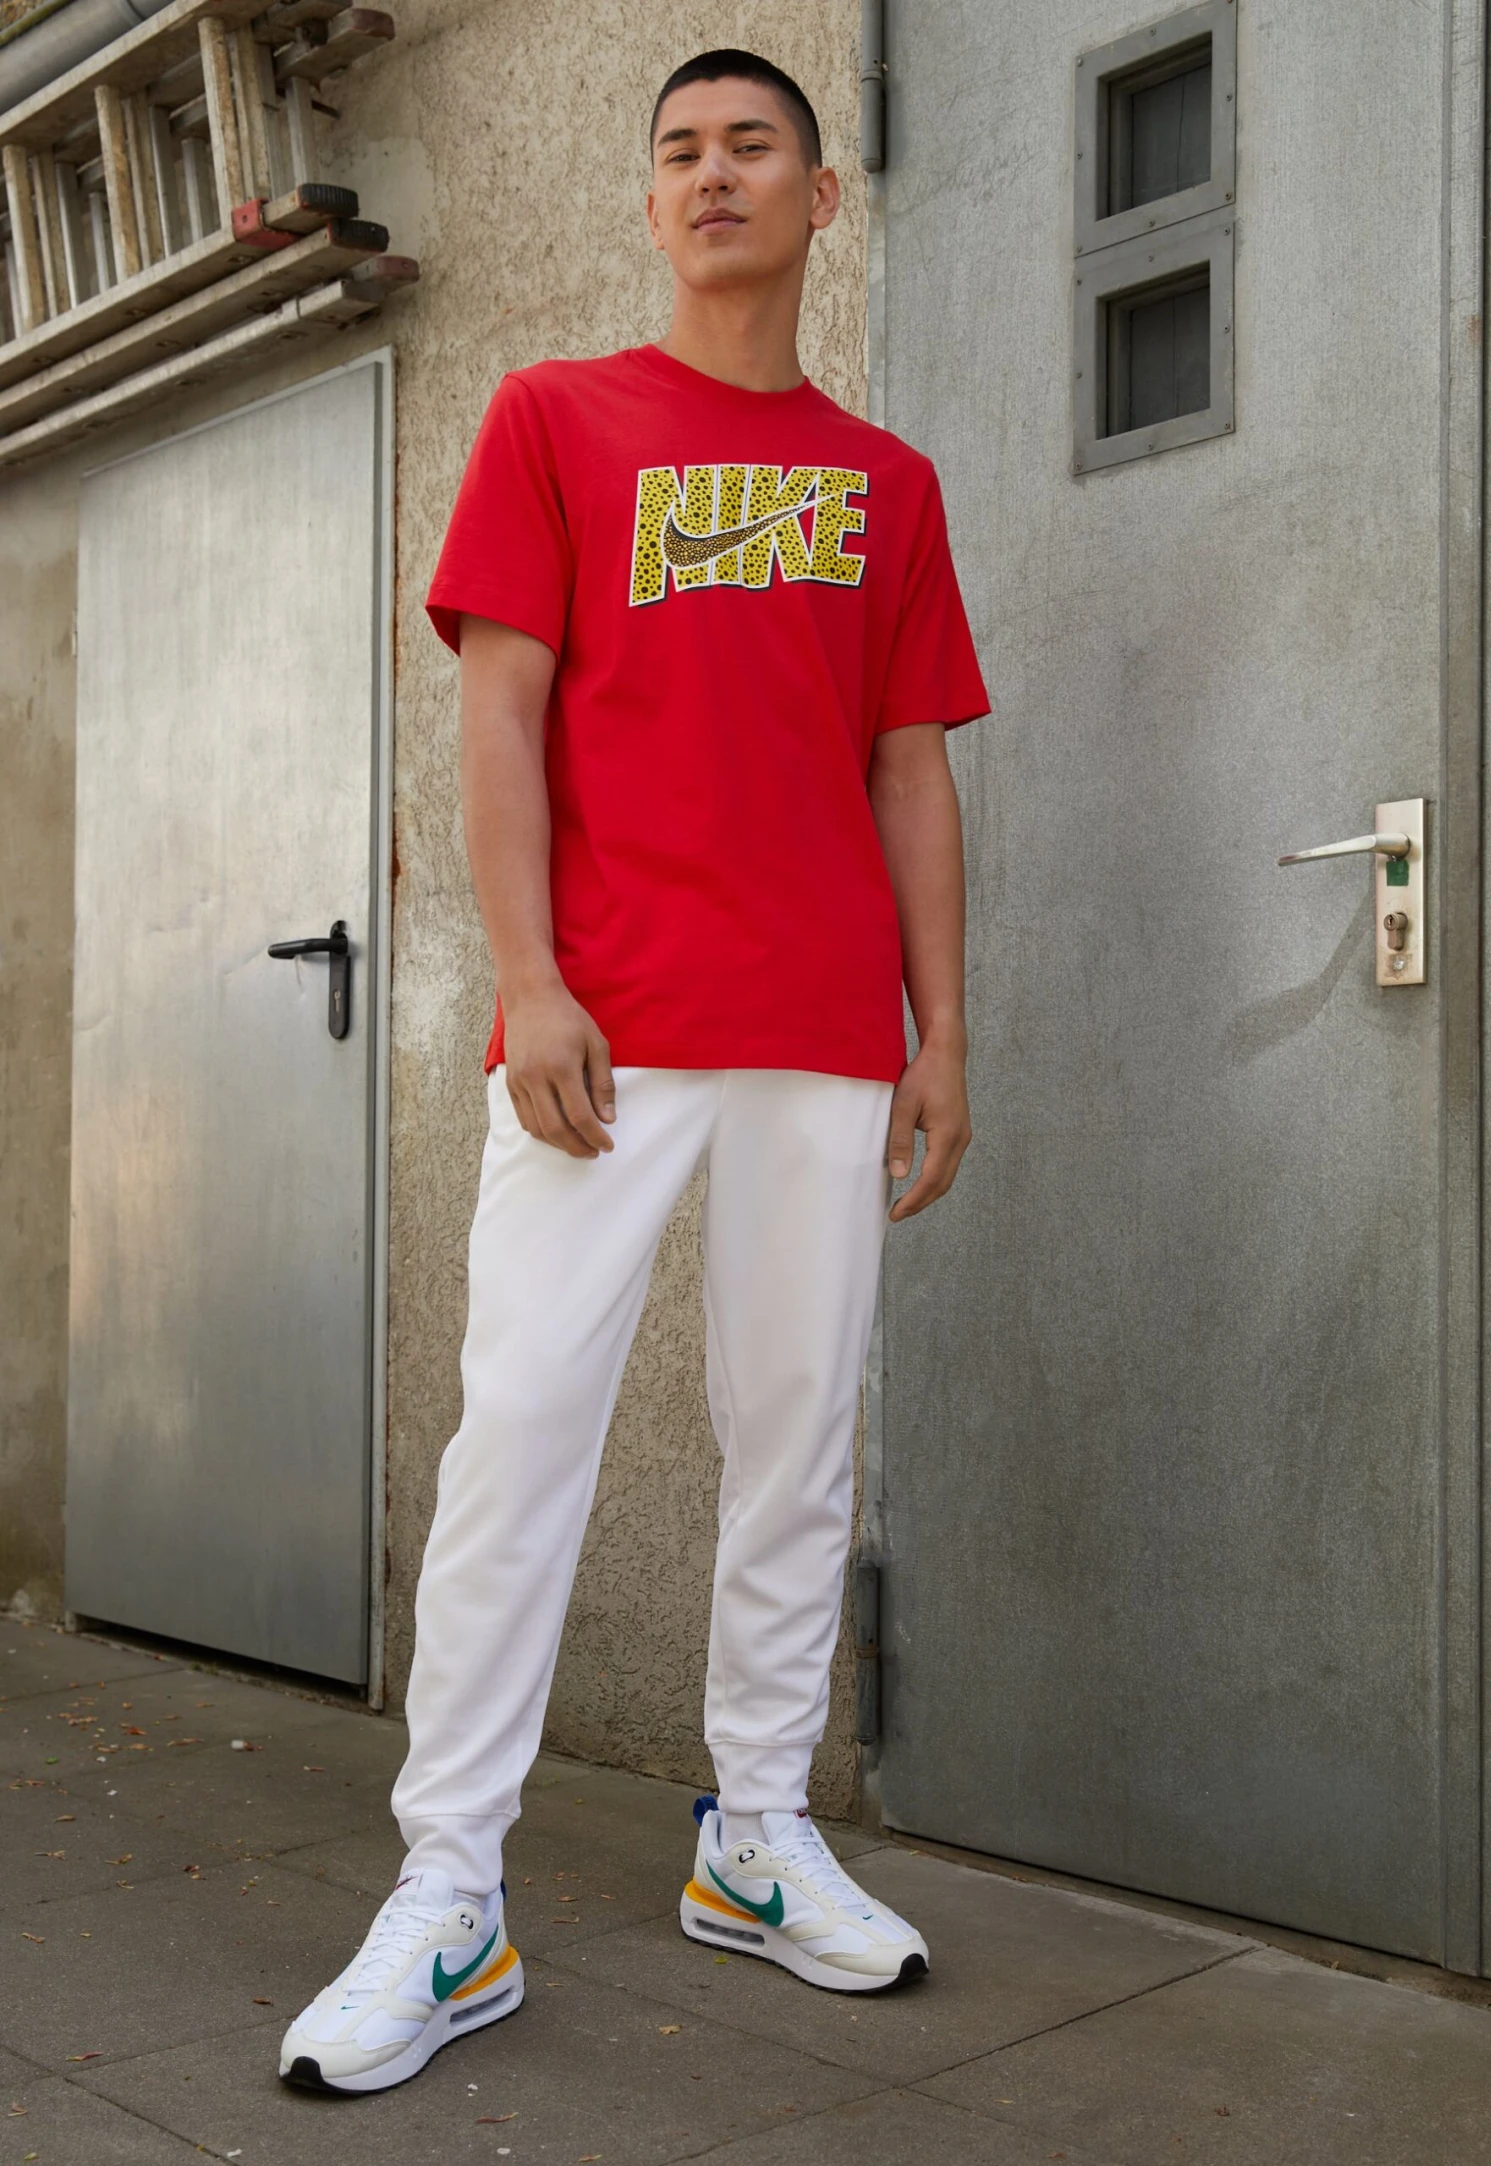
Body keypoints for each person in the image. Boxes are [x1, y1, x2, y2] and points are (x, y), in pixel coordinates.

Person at [279, 45, 988, 2094]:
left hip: (825, 1029)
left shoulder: (888, 485)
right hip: (606, 1023)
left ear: (821, 195)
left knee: (797, 1440)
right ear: (651, 197)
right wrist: (531, 976)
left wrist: (946, 1030)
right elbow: (499, 716)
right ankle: (451, 1891)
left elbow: (909, 769)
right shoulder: (556, 419)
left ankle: (756, 1839)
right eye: (678, 150)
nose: (712, 173)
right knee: (521, 1434)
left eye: (752, 144)